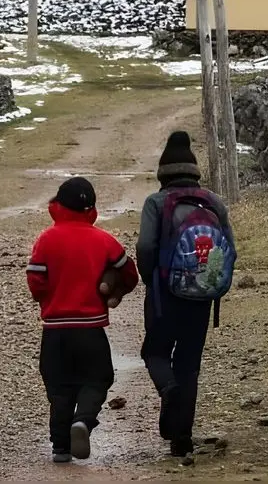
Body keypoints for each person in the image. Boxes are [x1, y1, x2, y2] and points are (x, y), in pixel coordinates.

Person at [135, 131, 237, 457]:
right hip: (201, 296)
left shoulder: (156, 202)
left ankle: (168, 390)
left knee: (155, 352)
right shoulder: (213, 202)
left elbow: (145, 247)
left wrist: (149, 278)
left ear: (162, 173)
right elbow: (230, 249)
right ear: (195, 171)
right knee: (189, 365)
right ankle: (182, 440)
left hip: (165, 296)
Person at [26, 176, 139, 464]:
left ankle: (61, 447)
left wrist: (50, 297)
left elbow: (35, 282)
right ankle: (84, 421)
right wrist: (113, 288)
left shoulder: (46, 239)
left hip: (54, 332)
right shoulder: (103, 240)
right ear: (91, 209)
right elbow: (130, 274)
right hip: (90, 329)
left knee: (59, 387)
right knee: (97, 378)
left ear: (58, 206)